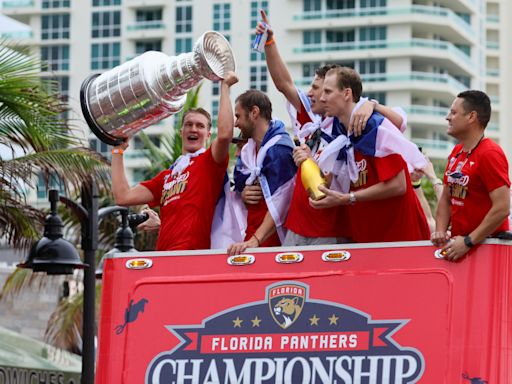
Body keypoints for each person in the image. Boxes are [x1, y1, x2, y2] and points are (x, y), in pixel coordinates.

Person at [254, 10, 406, 246]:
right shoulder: (308, 117)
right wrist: (270, 42)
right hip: (298, 222)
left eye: (321, 89)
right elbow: (284, 84)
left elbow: (398, 123)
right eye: (314, 88)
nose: (313, 94)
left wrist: (370, 105)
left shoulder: (352, 122)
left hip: (332, 228)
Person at [110, 72, 239, 251]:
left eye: (200, 126)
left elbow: (225, 135)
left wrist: (225, 87)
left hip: (193, 258)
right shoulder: (167, 176)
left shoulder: (209, 162)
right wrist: (117, 151)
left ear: (208, 135)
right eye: (188, 124)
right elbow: (123, 196)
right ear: (181, 132)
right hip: (163, 258)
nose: (193, 128)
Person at [310, 66, 430, 243]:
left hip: (399, 238)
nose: (321, 97)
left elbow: (398, 185)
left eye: (327, 91)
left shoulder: (375, 127)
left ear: (347, 94)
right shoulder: (339, 131)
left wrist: (349, 198)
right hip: (367, 238)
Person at [431, 90, 510, 261]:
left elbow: (502, 207)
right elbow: (446, 199)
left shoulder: (490, 153)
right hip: (460, 247)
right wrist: (440, 232)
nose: (448, 117)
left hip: (487, 249)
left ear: (471, 116)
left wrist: (468, 242)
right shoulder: (457, 151)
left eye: (453, 112)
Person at [227, 90, 296, 255]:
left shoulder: (280, 149)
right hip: (252, 239)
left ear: (254, 113)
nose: (236, 124)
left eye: (238, 116)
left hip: (274, 244)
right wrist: (243, 195)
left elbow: (282, 203)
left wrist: (256, 240)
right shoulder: (248, 152)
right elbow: (239, 189)